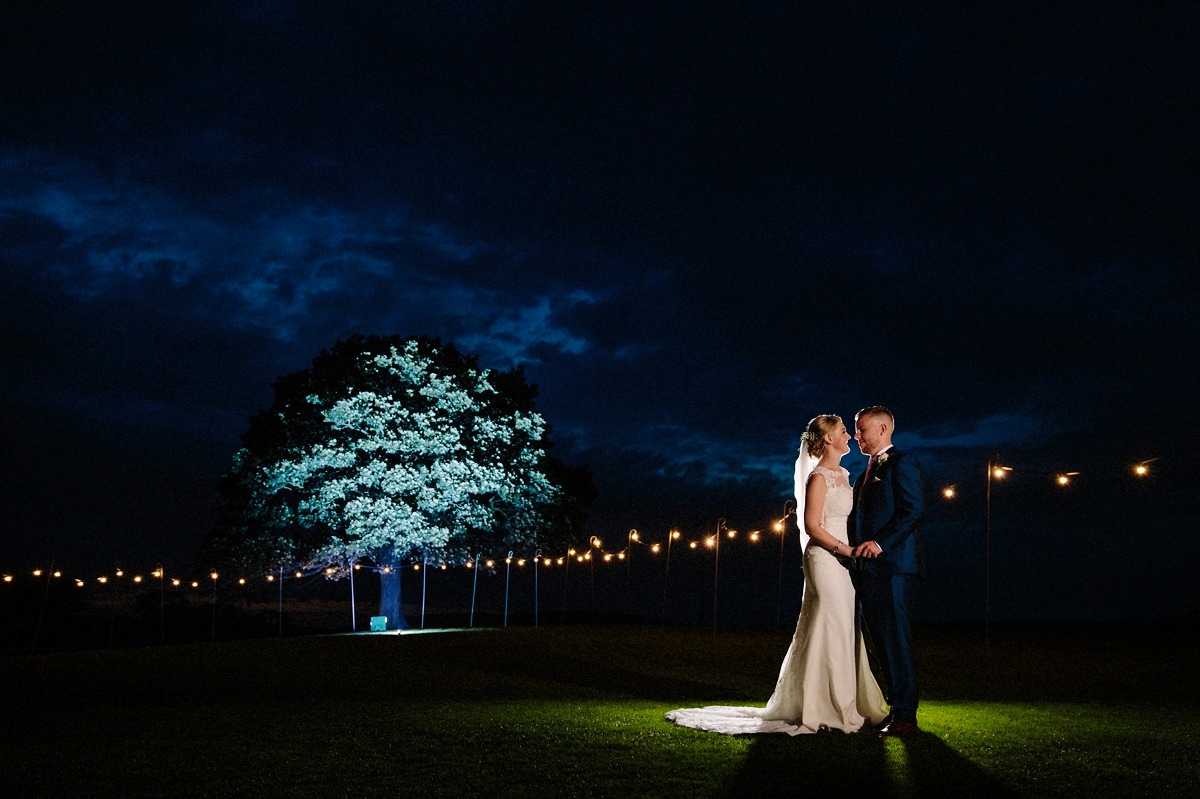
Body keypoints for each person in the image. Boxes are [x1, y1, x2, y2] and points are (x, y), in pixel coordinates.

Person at [665, 414, 888, 735]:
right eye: (843, 431)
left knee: (845, 624)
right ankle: (820, 704)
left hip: (845, 561)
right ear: (827, 438)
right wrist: (846, 550)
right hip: (826, 558)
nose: (850, 436)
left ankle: (846, 699)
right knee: (827, 622)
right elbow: (812, 526)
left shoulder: (844, 474)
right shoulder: (819, 478)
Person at [849, 405, 926, 738]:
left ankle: (905, 716)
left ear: (882, 429)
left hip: (895, 567)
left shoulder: (902, 463)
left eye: (862, 429)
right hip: (868, 569)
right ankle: (895, 708)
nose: (857, 436)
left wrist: (879, 544)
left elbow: (914, 509)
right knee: (881, 642)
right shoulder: (864, 472)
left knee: (895, 639)